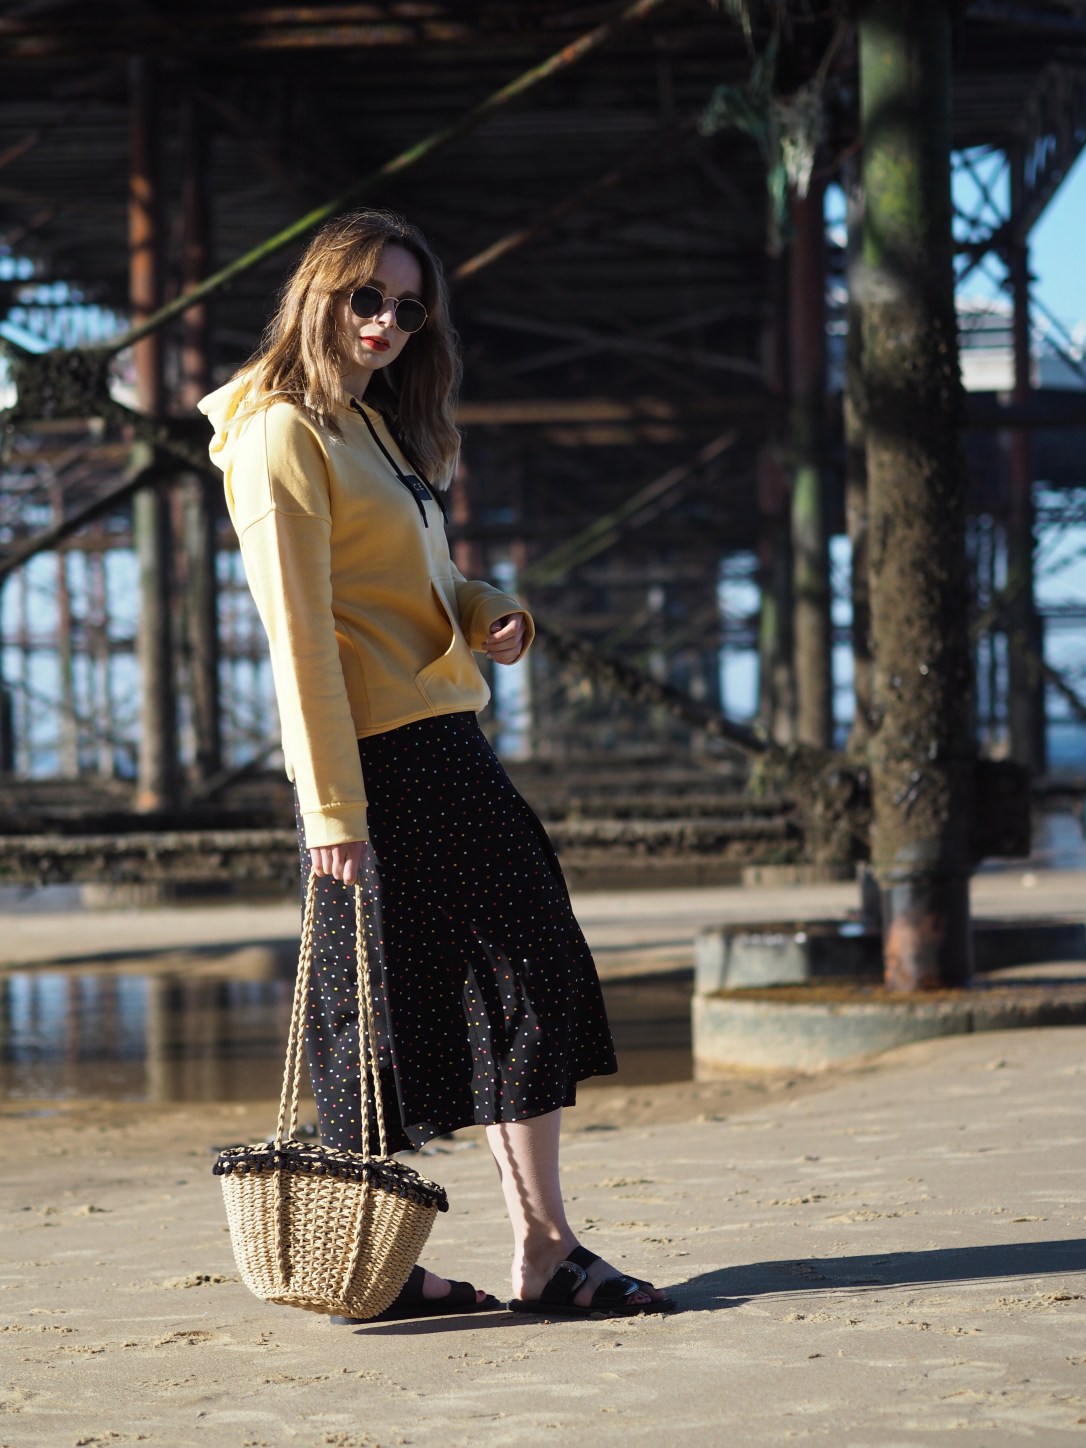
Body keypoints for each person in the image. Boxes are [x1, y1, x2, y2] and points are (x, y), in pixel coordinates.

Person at [198, 208, 676, 1321]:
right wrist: (330, 810)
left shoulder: (373, 427)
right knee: (399, 995)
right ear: (320, 292)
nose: (387, 323)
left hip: (442, 736)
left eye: (409, 307)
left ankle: (518, 1249)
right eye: (367, 297)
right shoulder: (280, 433)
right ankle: (431, 1255)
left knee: (488, 981)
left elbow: (422, 580)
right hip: (378, 757)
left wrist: (491, 610)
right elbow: (301, 634)